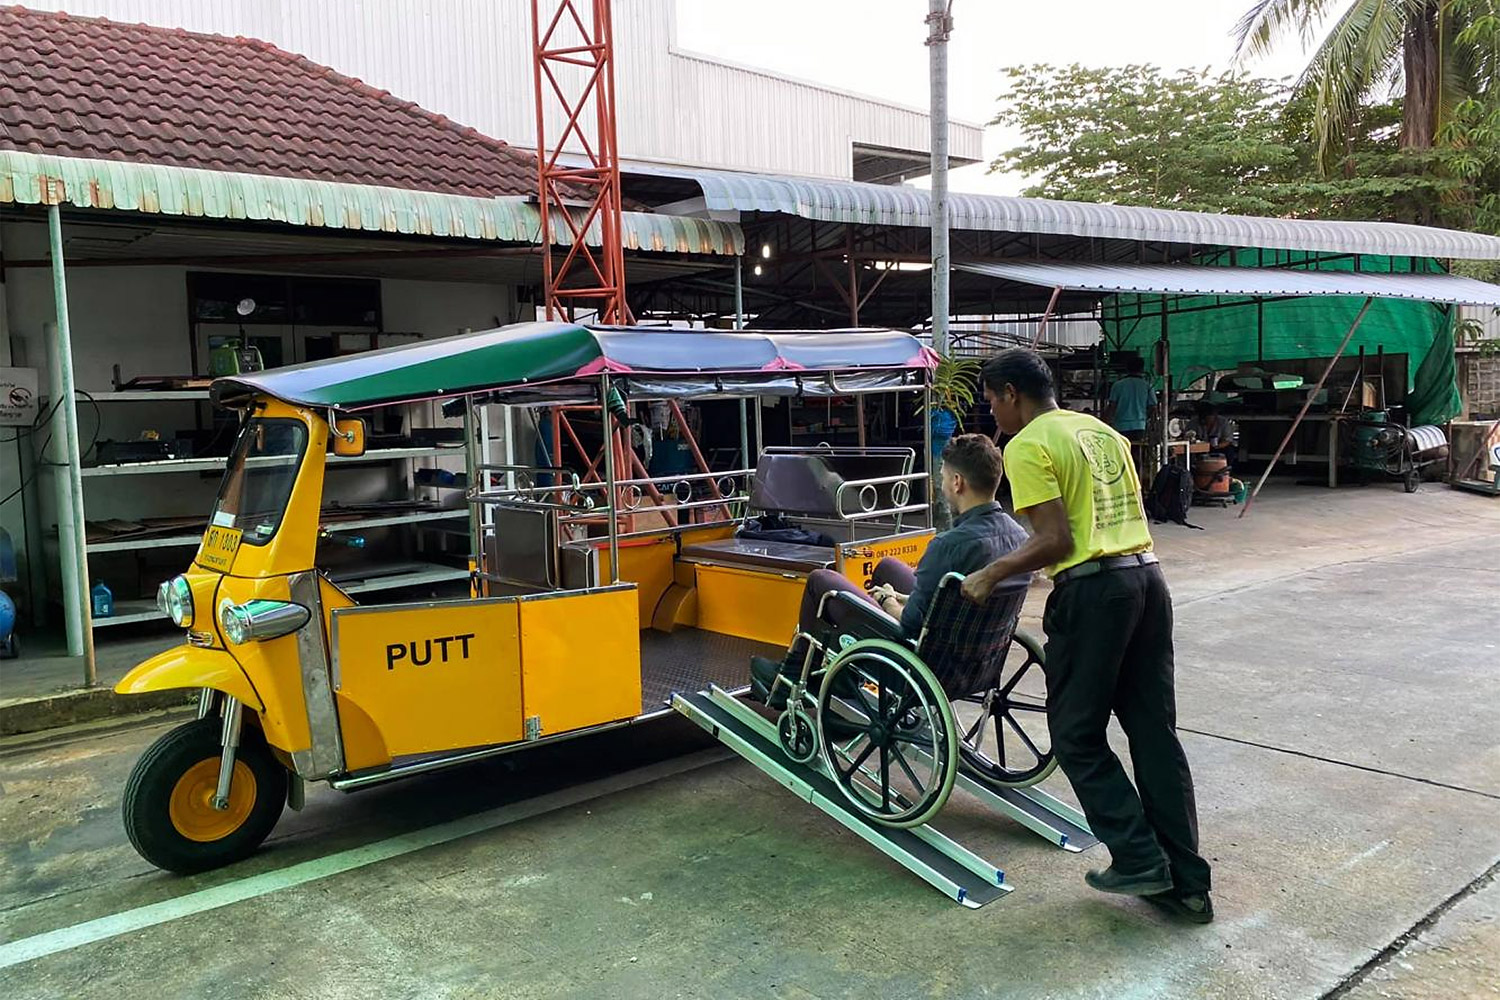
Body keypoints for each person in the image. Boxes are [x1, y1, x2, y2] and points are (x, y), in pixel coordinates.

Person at [962, 347, 1214, 924]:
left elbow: (1055, 539)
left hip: (1095, 593)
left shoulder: (1028, 444)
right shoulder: (1102, 432)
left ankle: (1137, 856)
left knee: (1075, 733)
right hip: (1148, 582)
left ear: (1009, 394)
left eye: (991, 401)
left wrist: (991, 572)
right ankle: (1188, 885)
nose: (992, 415)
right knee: (1154, 734)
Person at [750, 433, 1029, 707]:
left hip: (919, 668)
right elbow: (948, 600)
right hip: (977, 662)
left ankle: (791, 677)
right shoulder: (1019, 539)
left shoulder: (948, 545)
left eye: (943, 478)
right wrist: (899, 595)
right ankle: (845, 676)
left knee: (821, 581)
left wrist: (887, 599)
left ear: (957, 483)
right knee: (888, 568)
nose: (942, 486)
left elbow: (909, 623)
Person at [1105, 356, 1156, 442]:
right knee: (1138, 451)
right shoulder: (1147, 385)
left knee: (1123, 451)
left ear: (1127, 368)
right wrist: (1144, 417)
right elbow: (1153, 406)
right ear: (1142, 369)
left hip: (1121, 426)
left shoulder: (1117, 385)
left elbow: (1112, 406)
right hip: (1140, 425)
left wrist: (1105, 422)